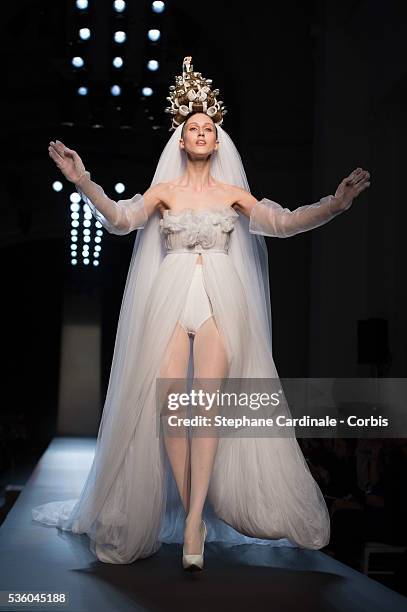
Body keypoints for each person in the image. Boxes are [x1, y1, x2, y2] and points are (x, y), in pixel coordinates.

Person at [32, 57, 370, 569]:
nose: (201, 133)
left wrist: (334, 205)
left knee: (205, 408)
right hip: (168, 300)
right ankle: (193, 511)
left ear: (218, 140)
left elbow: (280, 223)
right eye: (193, 127)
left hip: (220, 300)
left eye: (209, 128)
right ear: (181, 138)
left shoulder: (232, 194)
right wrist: (84, 181)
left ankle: (194, 524)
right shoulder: (164, 192)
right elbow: (122, 221)